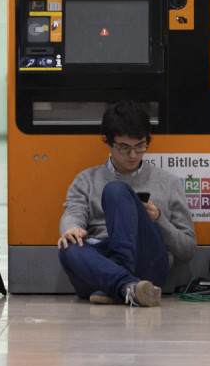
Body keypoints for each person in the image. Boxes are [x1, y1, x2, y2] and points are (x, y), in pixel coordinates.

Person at [57, 102, 196, 307]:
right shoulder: (86, 179)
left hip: (146, 265)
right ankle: (126, 286)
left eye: (140, 146)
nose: (133, 155)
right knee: (67, 246)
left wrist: (159, 220)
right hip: (100, 267)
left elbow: (187, 249)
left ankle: (120, 278)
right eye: (124, 148)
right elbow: (74, 212)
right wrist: (70, 229)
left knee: (116, 191)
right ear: (107, 141)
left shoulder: (168, 183)